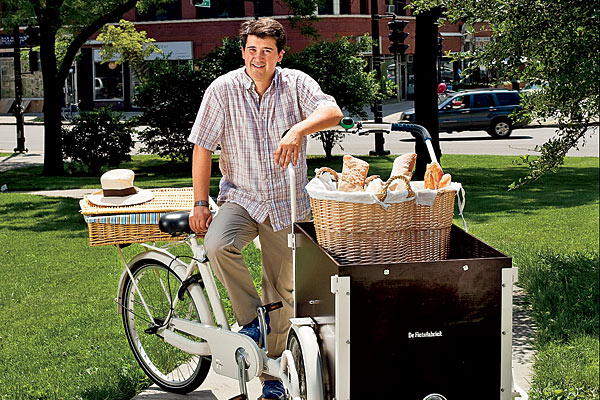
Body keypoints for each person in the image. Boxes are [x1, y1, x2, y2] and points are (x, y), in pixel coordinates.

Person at [187, 18, 343, 399]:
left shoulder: (295, 84)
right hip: (241, 196)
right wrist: (199, 201)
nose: (259, 57)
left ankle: (271, 380)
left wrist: (297, 130)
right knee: (218, 245)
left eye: (267, 51)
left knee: (285, 291)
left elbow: (332, 111)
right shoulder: (222, 89)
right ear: (243, 52)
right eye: (252, 49)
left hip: (287, 203)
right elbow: (202, 146)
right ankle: (252, 321)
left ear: (280, 55)